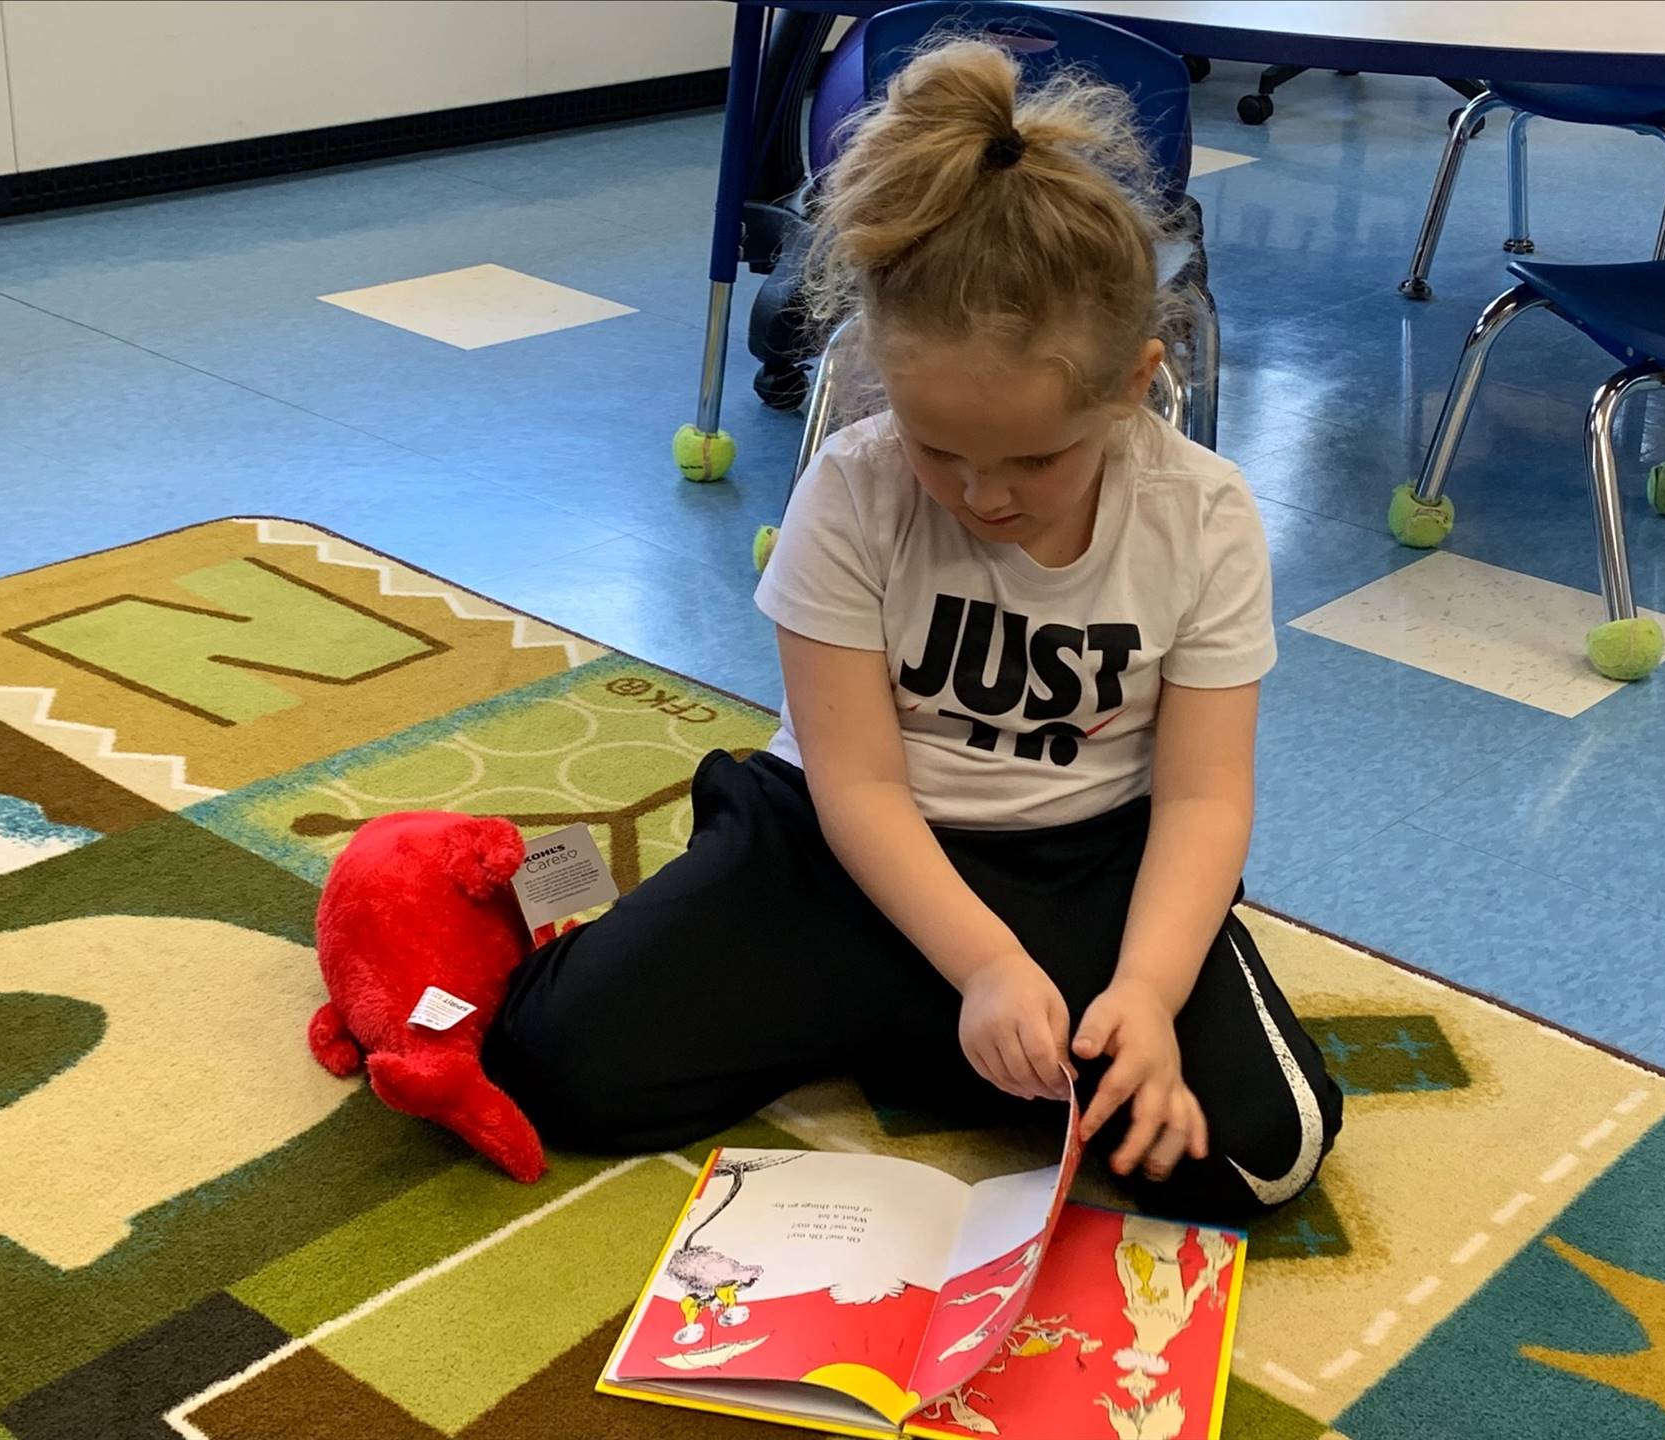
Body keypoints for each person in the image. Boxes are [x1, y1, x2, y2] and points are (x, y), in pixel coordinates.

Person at [483, 38, 1343, 1222]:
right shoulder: (852, 485)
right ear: (883, 377)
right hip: (848, 849)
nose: (984, 498)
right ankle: (953, 1015)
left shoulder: (1203, 515)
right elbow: (857, 785)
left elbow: (1201, 800)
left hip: (1081, 863)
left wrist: (1143, 990)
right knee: (550, 1065)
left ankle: (926, 1018)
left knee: (1263, 1151)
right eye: (941, 450)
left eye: (1035, 459)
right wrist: (987, 969)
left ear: (1136, 384)